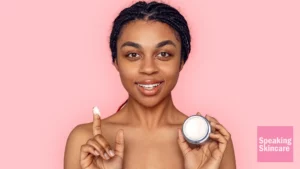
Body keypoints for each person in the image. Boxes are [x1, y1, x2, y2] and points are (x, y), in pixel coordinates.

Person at [64, 1, 236, 169]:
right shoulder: (85, 141)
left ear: (182, 61)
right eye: (132, 55)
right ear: (116, 62)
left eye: (163, 54)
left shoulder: (210, 145)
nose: (148, 69)